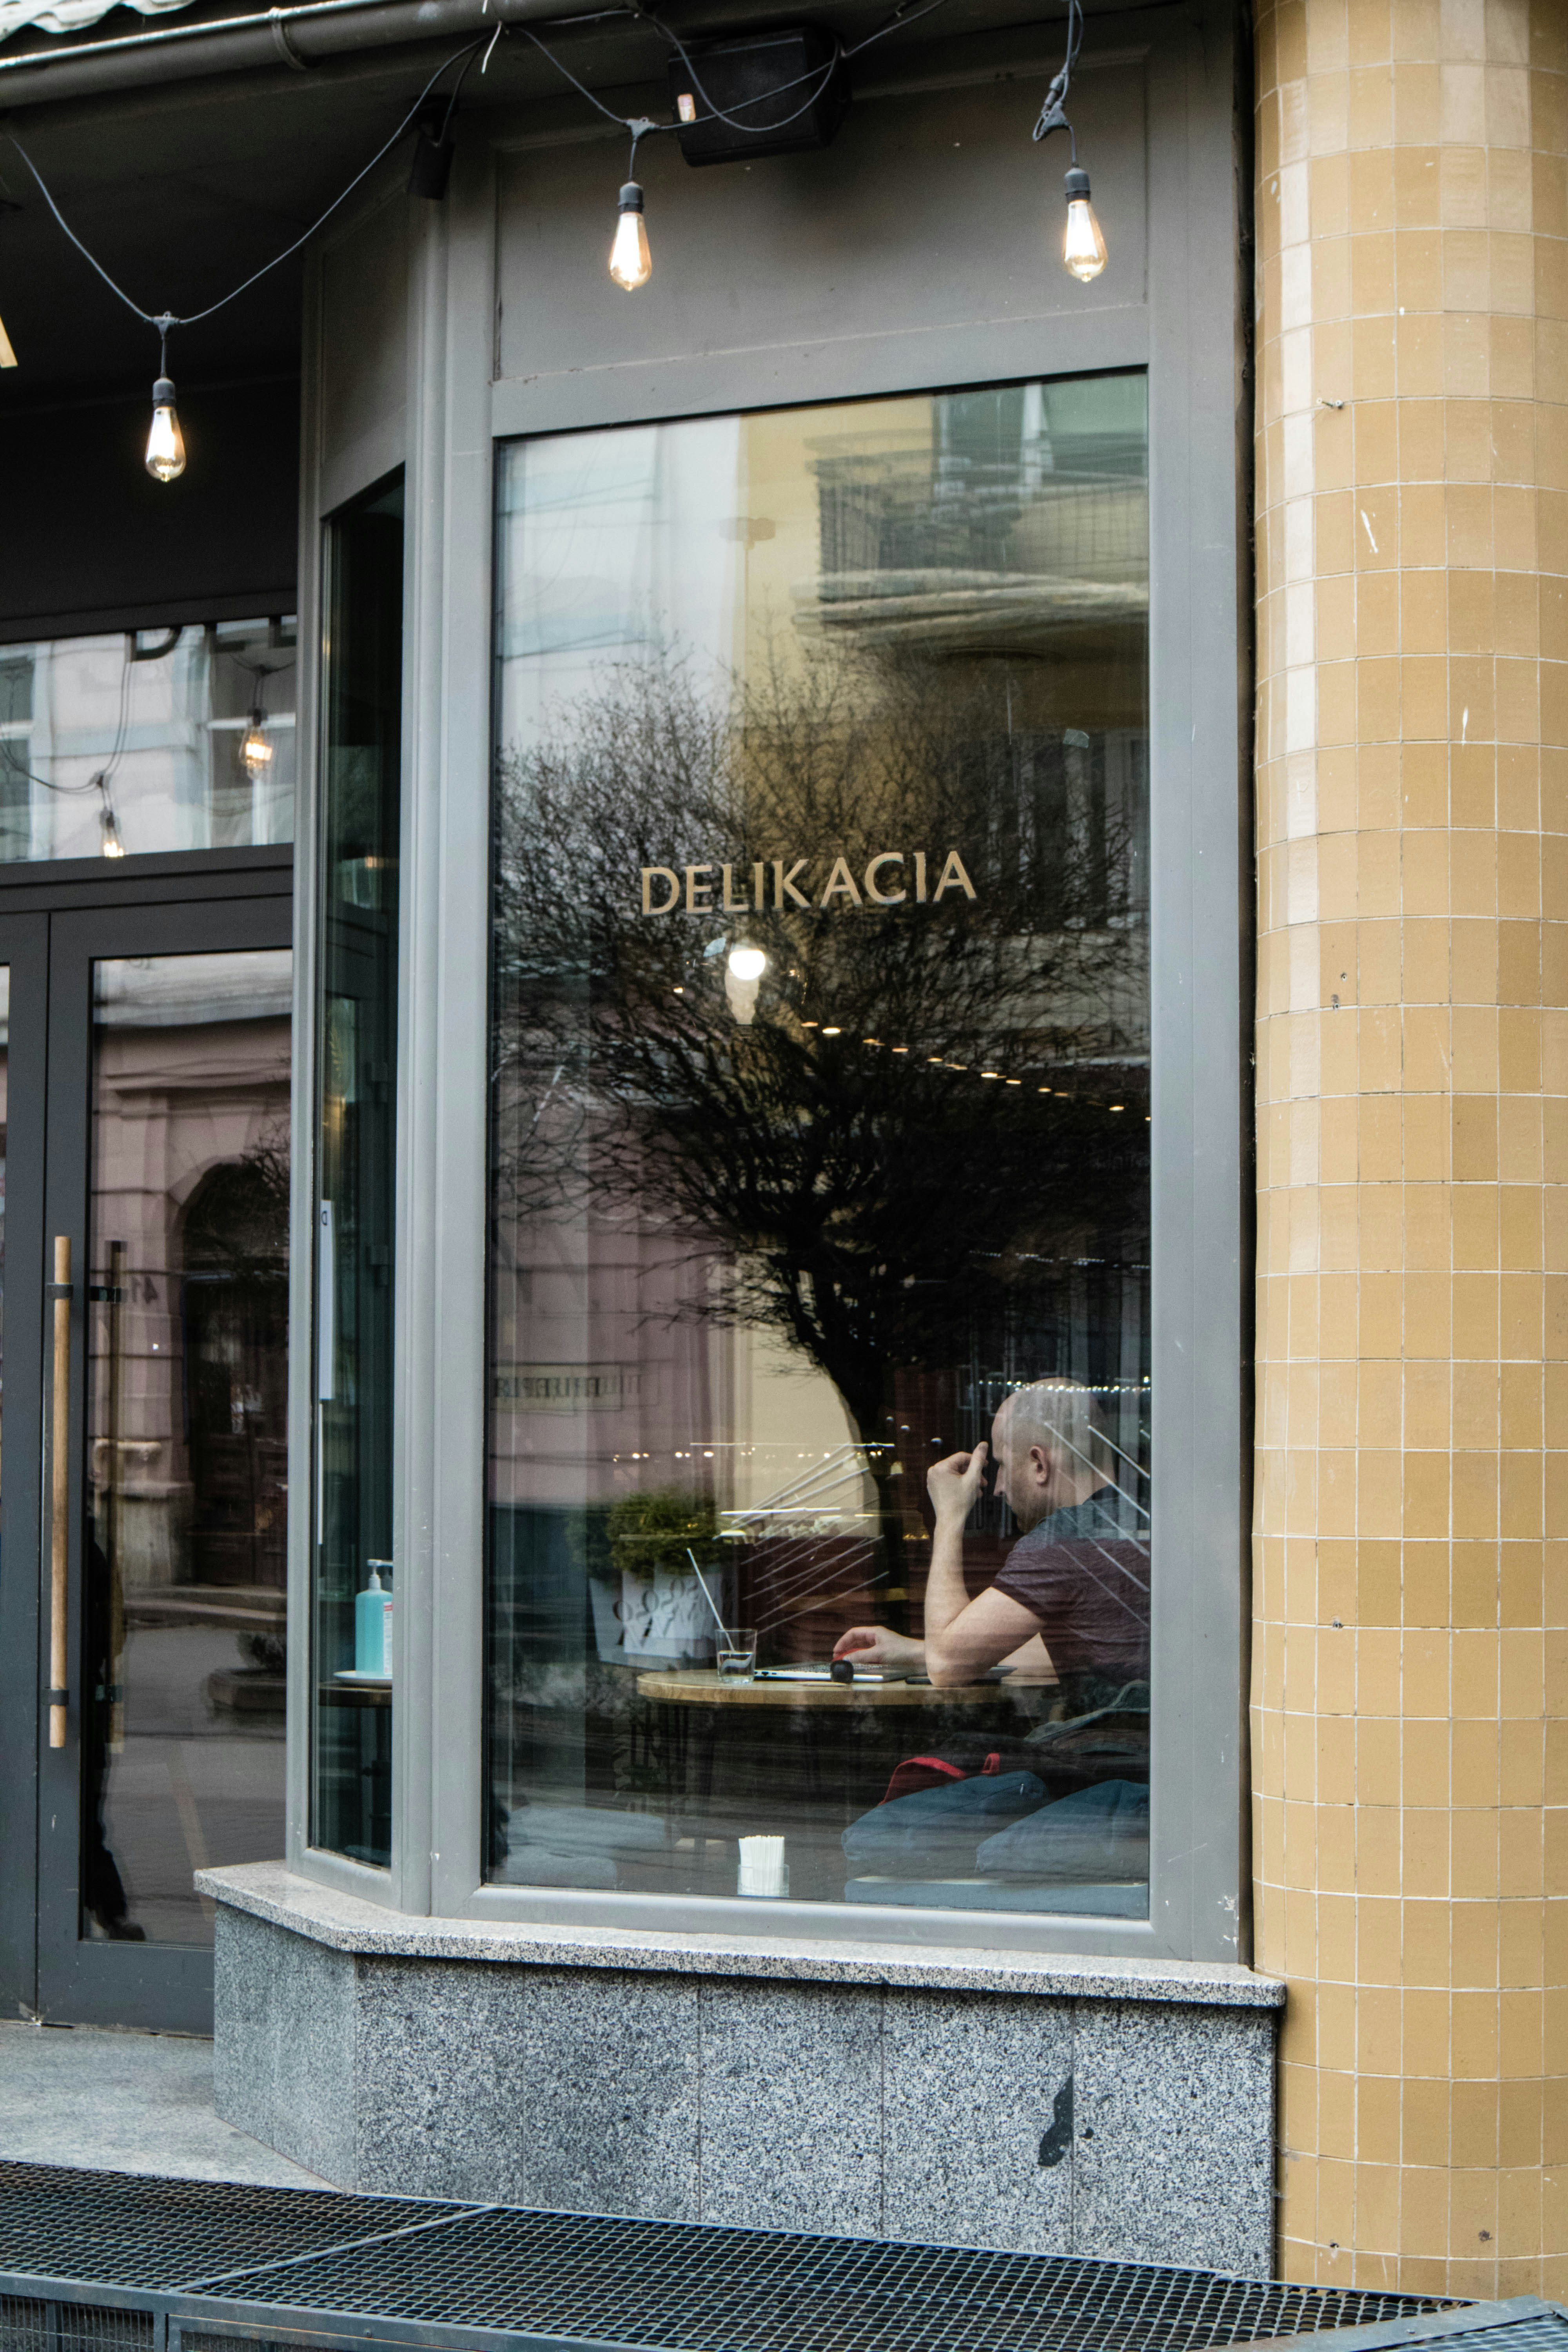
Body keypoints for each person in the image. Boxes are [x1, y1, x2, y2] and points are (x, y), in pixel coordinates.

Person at [832, 1378, 1149, 1707]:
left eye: (1003, 1465)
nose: (998, 1487)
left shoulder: (1066, 1542)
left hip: (1105, 1748)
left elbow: (947, 1667)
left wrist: (950, 1516)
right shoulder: (1150, 1521)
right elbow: (1073, 1653)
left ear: (1039, 1464)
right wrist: (916, 1650)